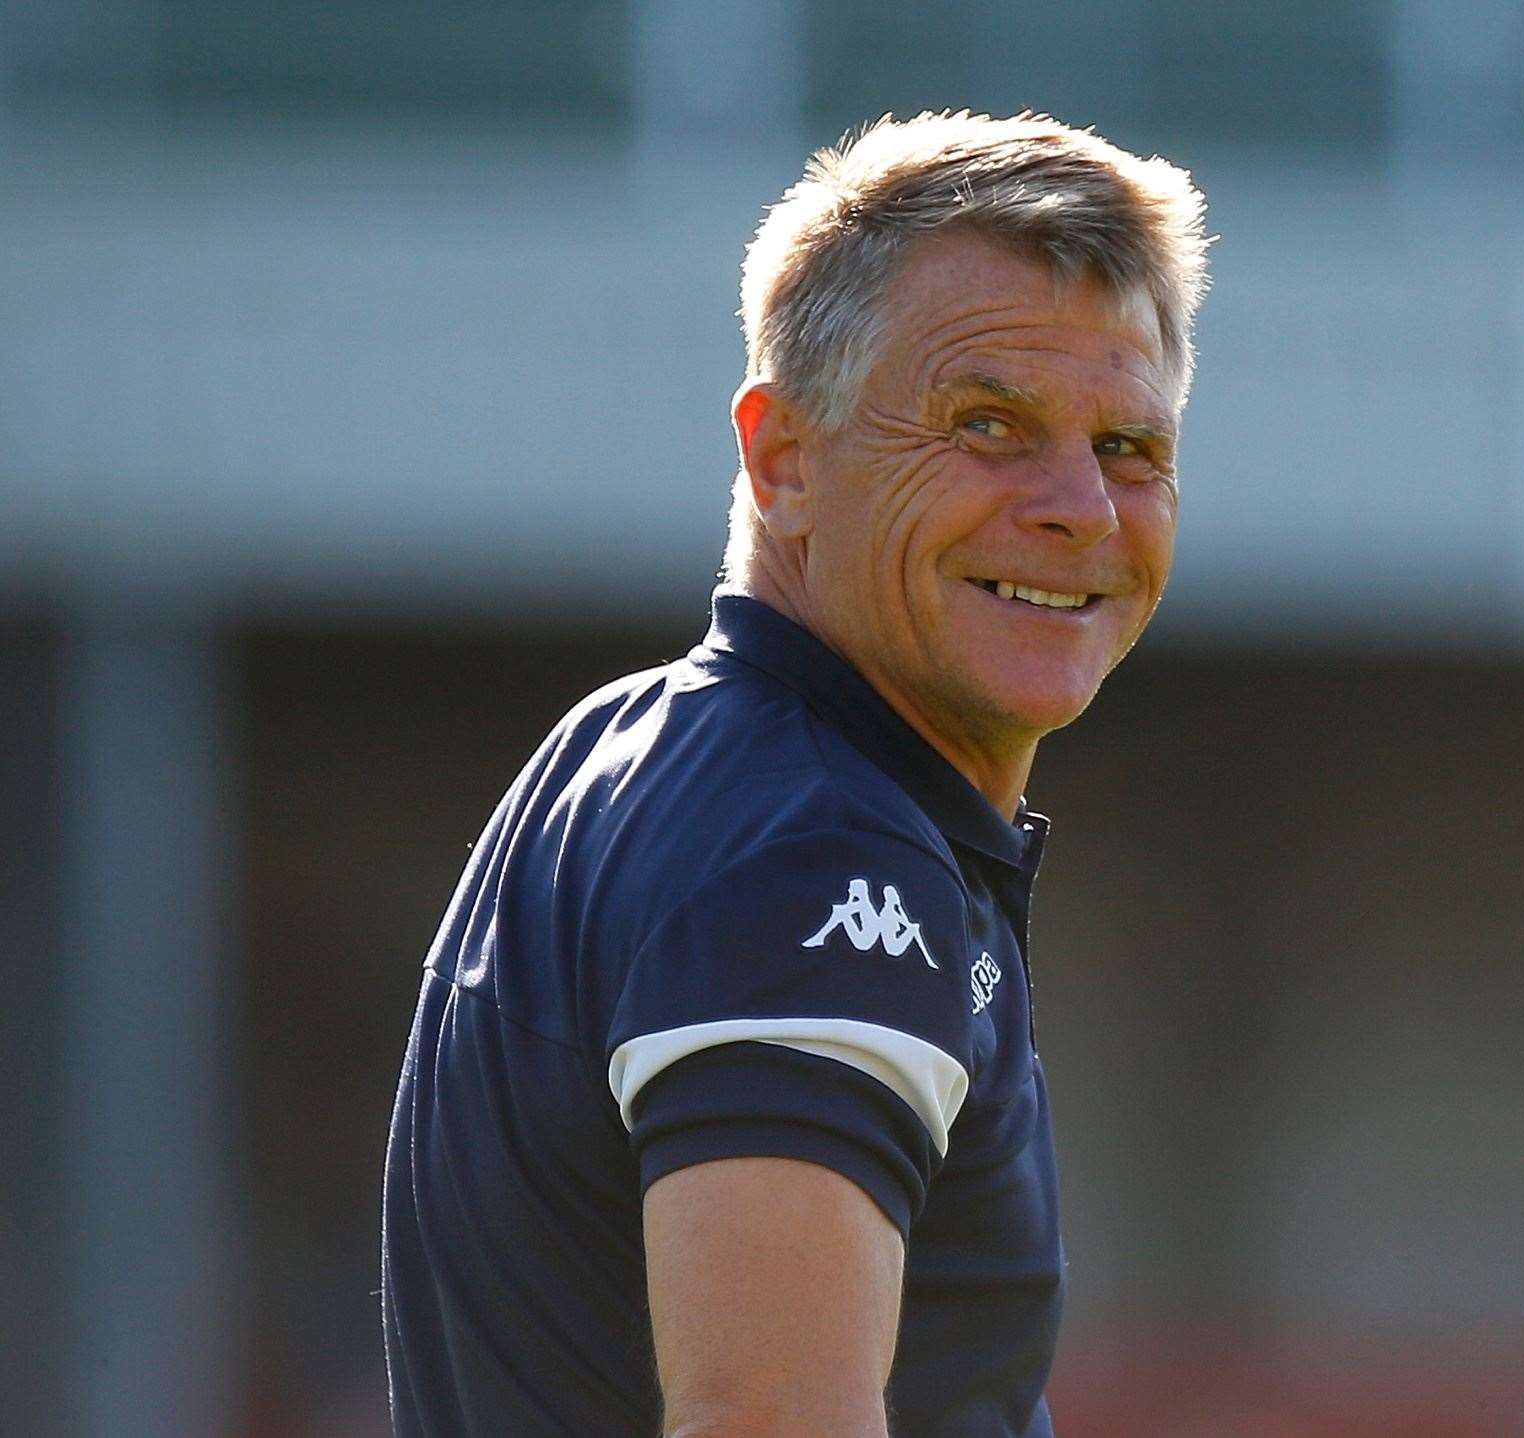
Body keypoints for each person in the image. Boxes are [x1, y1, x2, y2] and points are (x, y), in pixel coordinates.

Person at [381, 110, 1210, 1437]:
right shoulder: (823, 856)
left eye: (1132, 447)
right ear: (784, 461)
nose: (1082, 507)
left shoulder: (644, 751)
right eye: (989, 423)